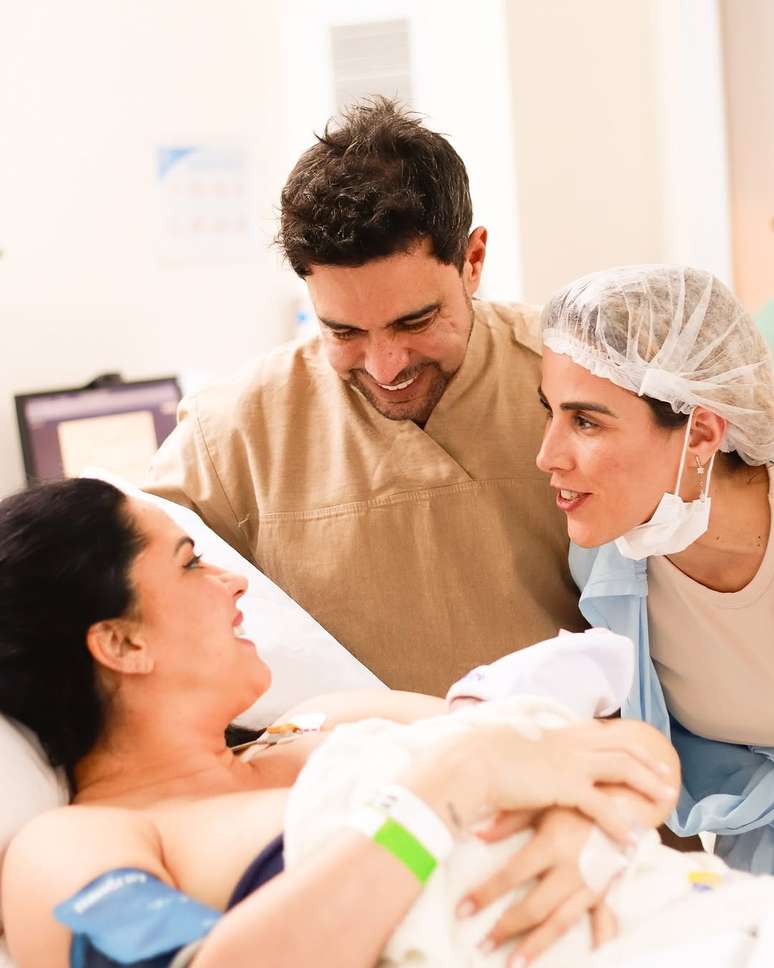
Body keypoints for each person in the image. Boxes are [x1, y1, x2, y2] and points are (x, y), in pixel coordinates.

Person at [0, 478, 677, 968]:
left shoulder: (327, 721)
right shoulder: (73, 845)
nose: (233, 582)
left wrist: (577, 816)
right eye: (191, 564)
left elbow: (633, 752)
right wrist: (443, 793)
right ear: (121, 643)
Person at [144, 98, 583, 698]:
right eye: (343, 332)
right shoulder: (233, 434)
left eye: (415, 321)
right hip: (353, 782)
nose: (385, 366)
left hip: (577, 768)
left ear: (473, 260)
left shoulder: (578, 382)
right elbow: (123, 601)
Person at [535, 263, 774, 873]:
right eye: (551, 413)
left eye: (585, 421)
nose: (547, 456)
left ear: (702, 434)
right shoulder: (607, 560)